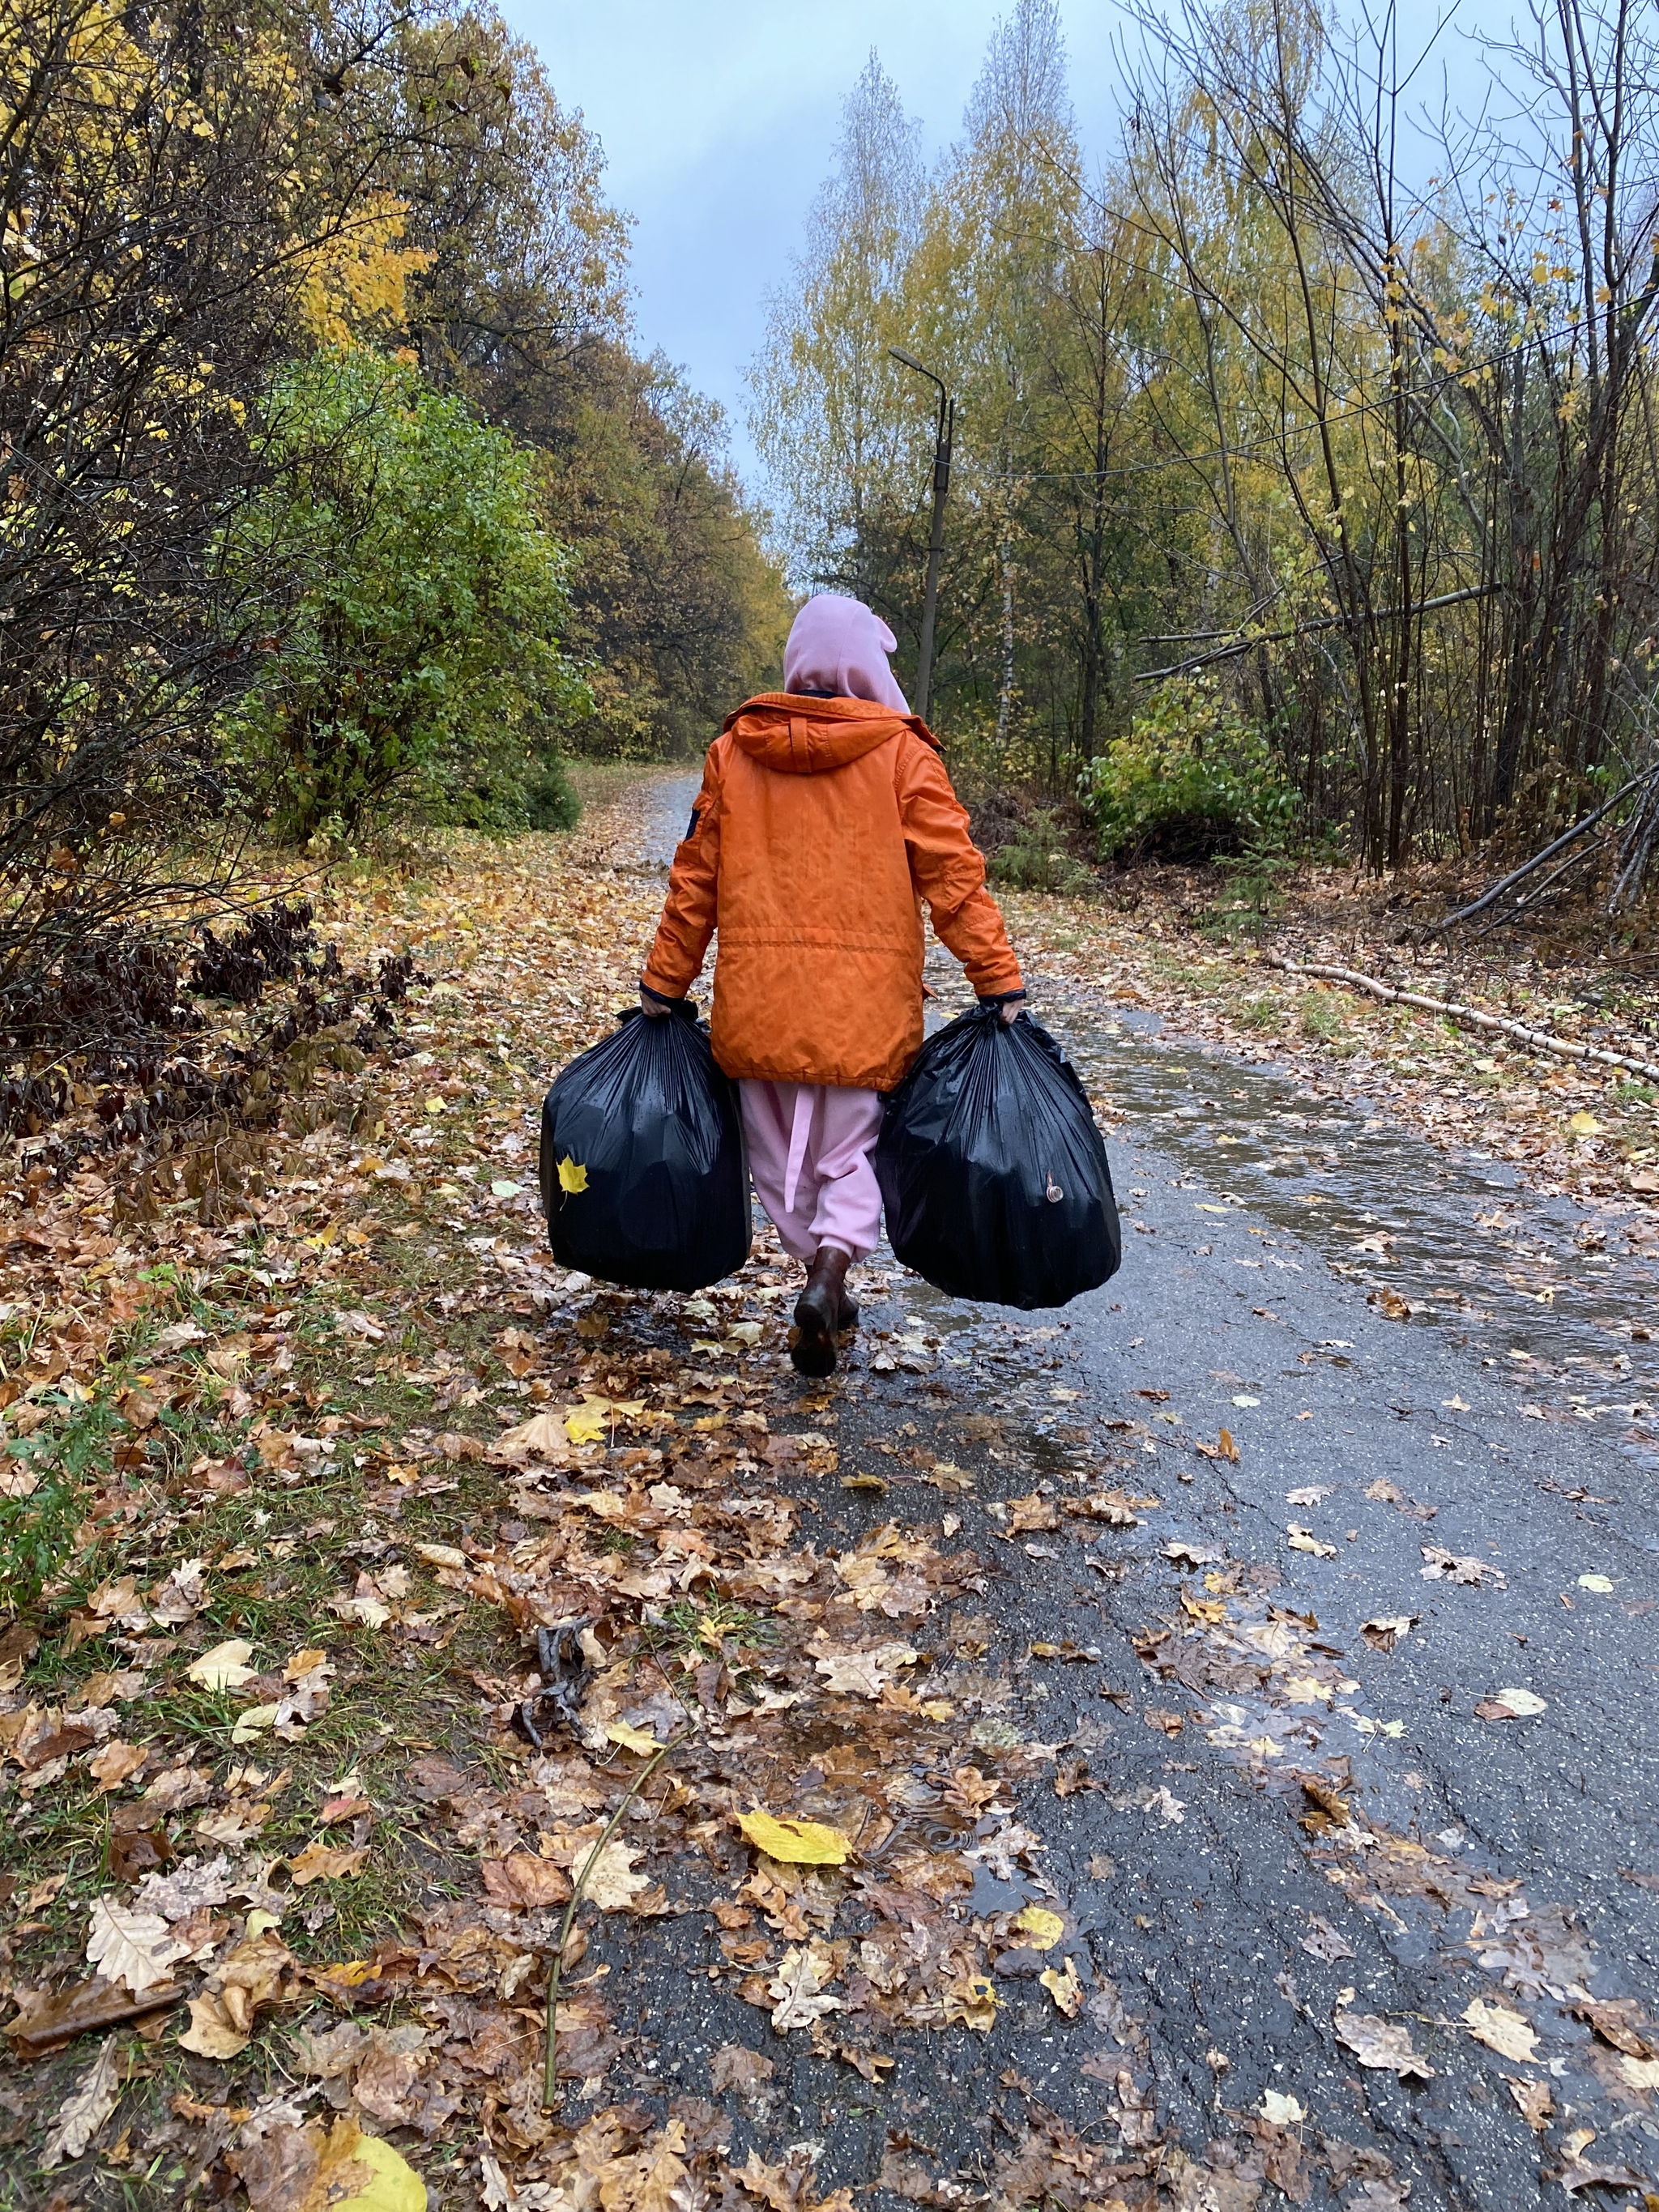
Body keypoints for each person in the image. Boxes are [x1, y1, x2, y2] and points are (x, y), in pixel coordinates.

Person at [639, 594, 1026, 1376]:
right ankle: (834, 1270)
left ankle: (820, 1274)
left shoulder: (735, 753)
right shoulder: (903, 756)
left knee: (779, 1161)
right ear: (867, 667)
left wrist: (664, 982)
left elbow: (695, 884)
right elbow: (953, 876)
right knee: (854, 1155)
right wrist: (997, 978)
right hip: (863, 1015)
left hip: (760, 1010)